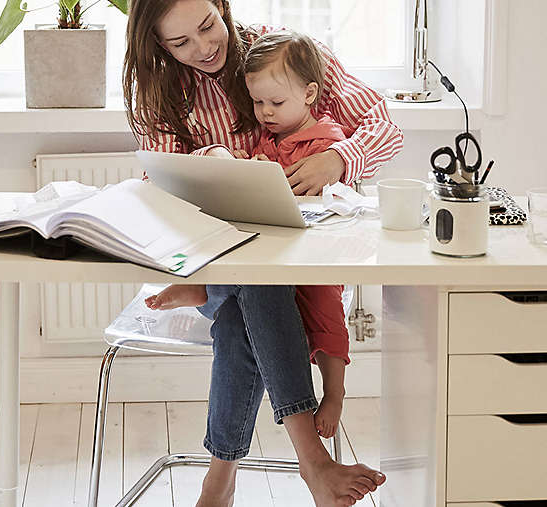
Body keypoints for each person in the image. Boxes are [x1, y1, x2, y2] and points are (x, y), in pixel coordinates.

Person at [125, 1, 403, 505]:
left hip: (291, 261)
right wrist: (207, 165)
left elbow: (384, 124)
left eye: (209, 26)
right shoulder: (161, 93)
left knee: (240, 318)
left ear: (223, 7)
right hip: (216, 256)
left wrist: (340, 158)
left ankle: (220, 478)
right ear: (158, 47)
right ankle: (312, 460)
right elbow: (160, 187)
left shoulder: (284, 52)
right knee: (258, 279)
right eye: (181, 43)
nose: (205, 48)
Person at [151, 30, 353, 440]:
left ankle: (334, 393)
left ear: (311, 94)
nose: (265, 112)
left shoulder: (327, 141)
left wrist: (331, 168)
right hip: (268, 257)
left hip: (310, 258)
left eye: (275, 103)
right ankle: (305, 455)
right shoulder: (267, 137)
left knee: (321, 313)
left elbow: (341, 199)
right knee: (255, 284)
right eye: (258, 102)